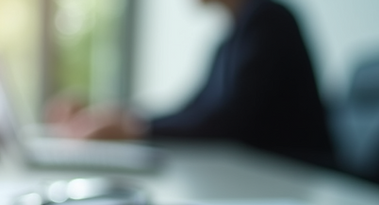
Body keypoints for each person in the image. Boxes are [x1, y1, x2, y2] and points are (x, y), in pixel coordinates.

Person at [50, 0, 333, 166]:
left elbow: (226, 121)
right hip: (252, 174)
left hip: (292, 175)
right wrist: (124, 118)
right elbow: (194, 110)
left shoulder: (268, 22)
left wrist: (134, 127)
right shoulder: (231, 39)